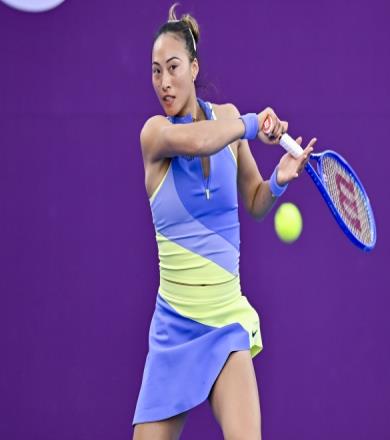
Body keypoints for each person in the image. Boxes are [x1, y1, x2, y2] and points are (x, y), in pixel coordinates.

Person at [132, 4, 316, 439]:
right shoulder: (155, 134)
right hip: (174, 328)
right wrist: (249, 124)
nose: (164, 82)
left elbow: (254, 201)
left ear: (194, 68)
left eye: (173, 67)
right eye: (156, 71)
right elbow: (199, 141)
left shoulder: (228, 120)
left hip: (226, 321)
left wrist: (278, 181)